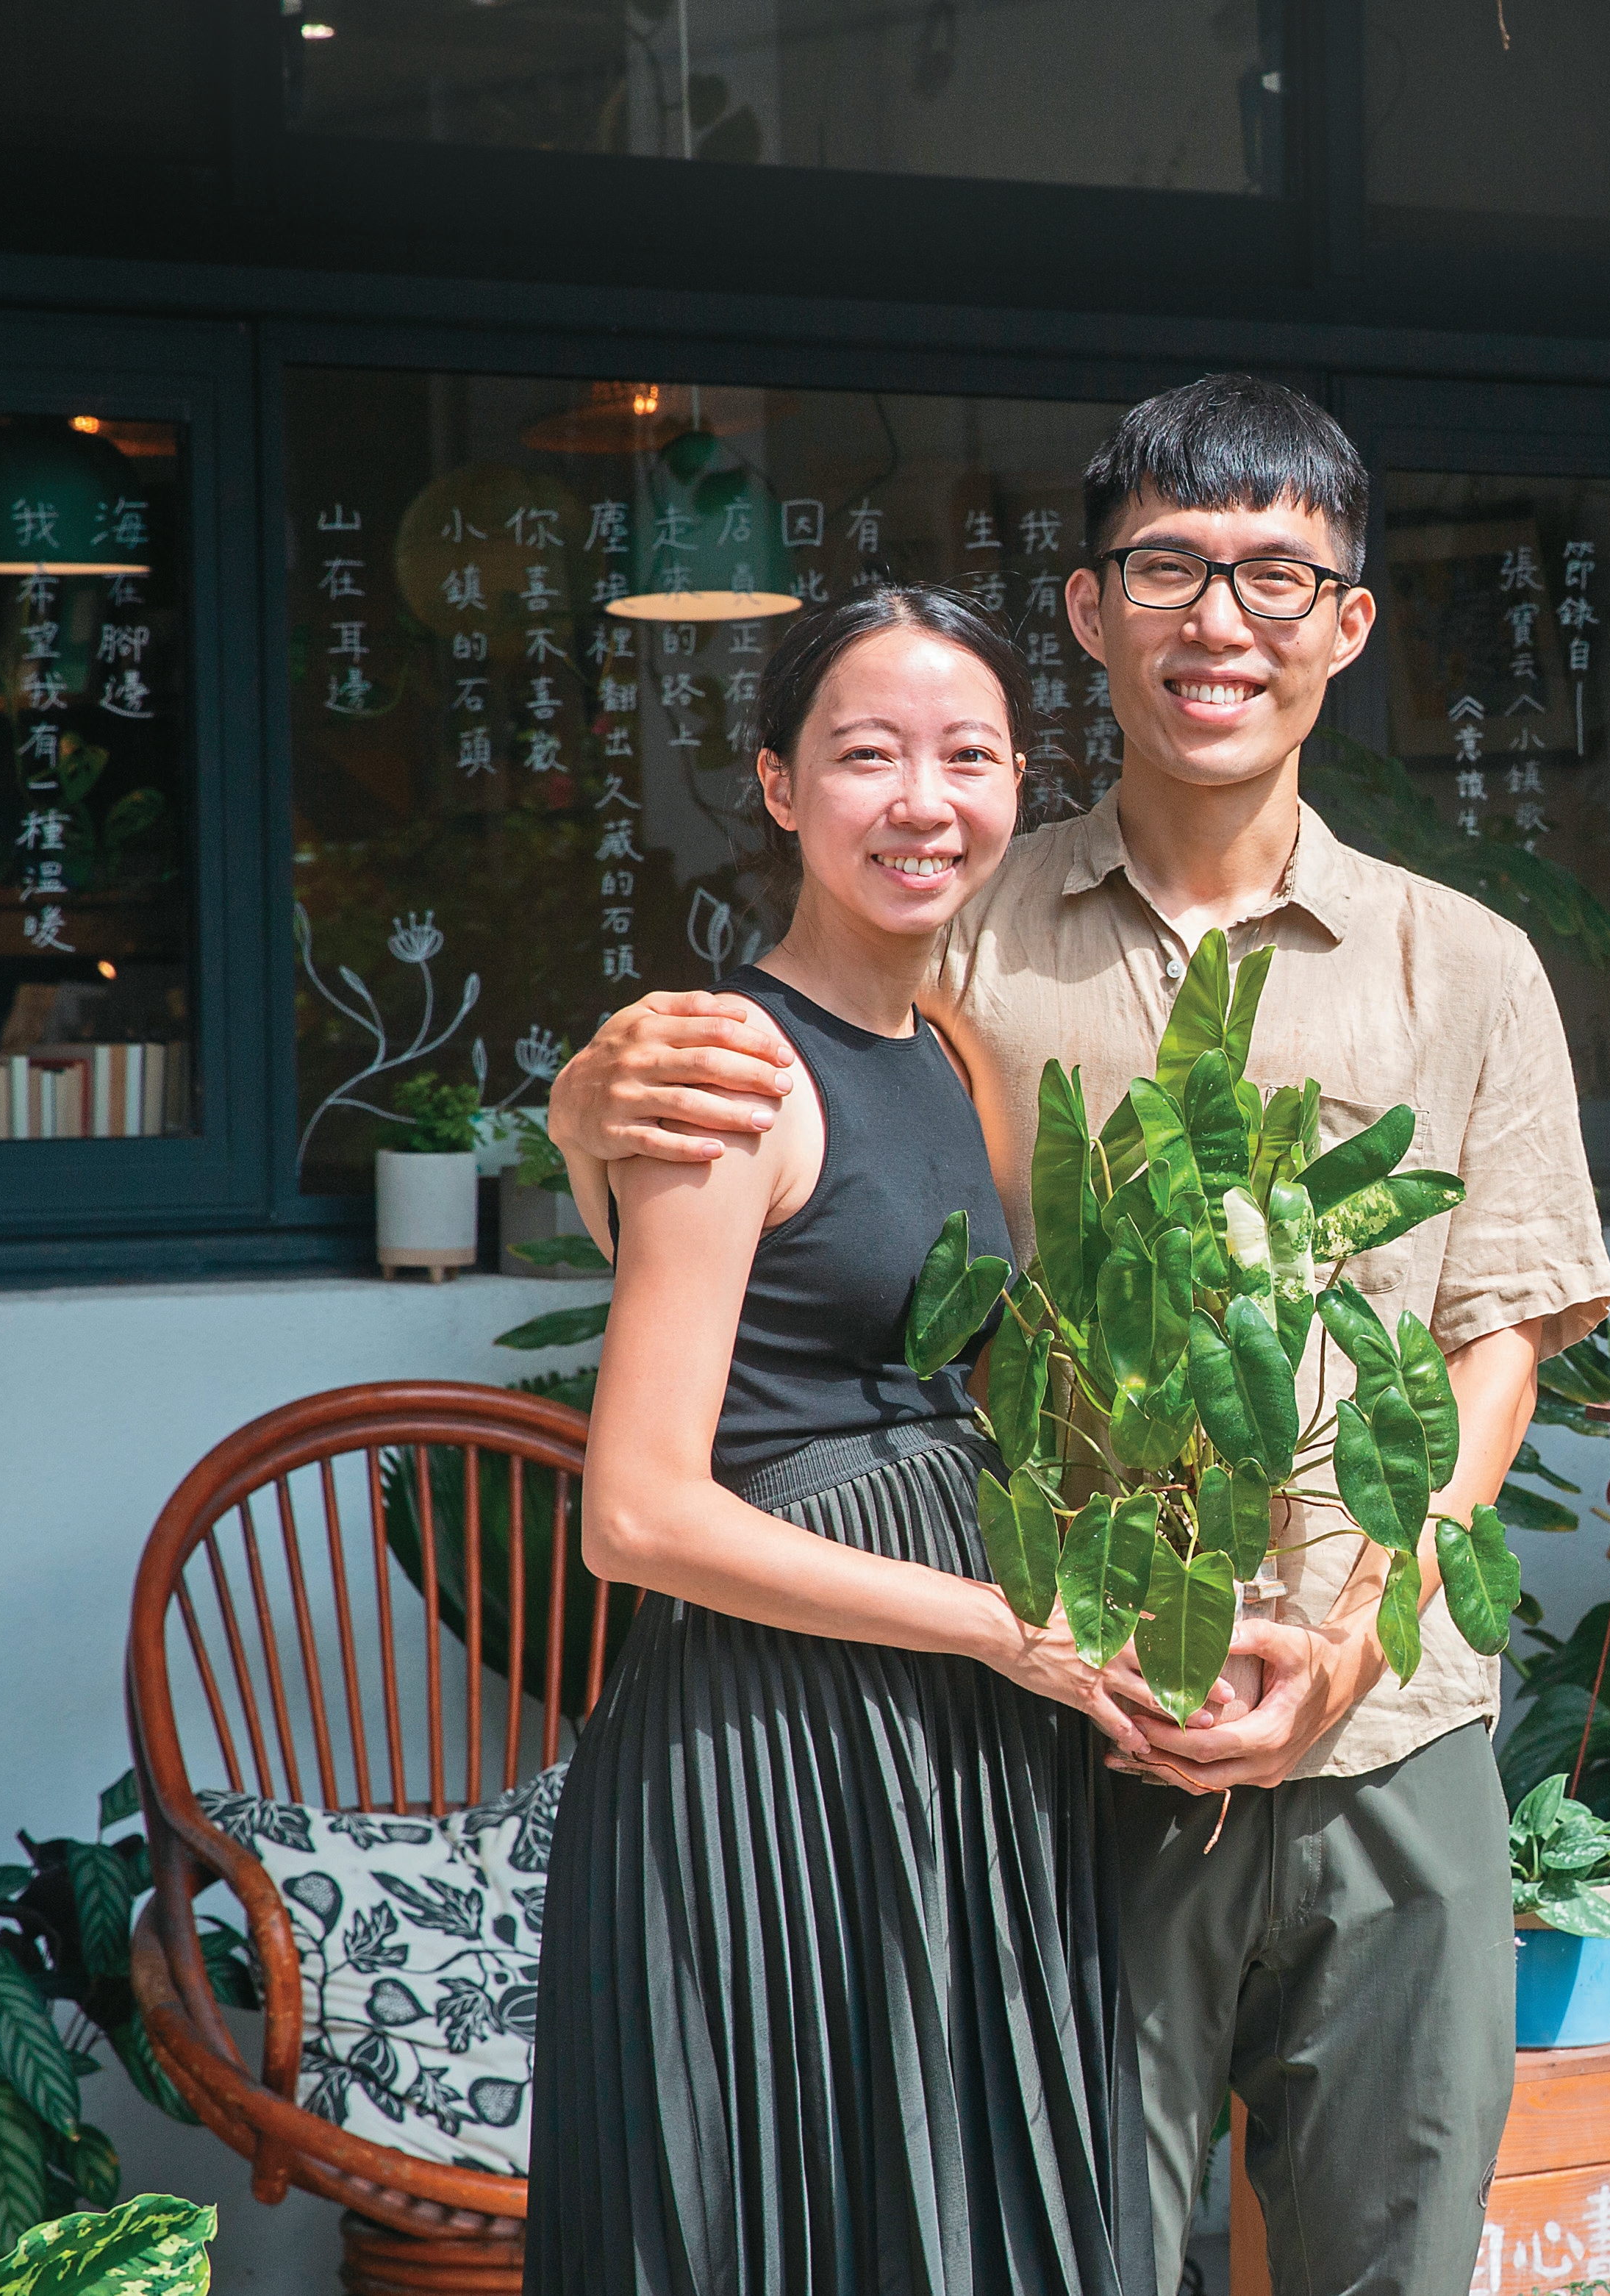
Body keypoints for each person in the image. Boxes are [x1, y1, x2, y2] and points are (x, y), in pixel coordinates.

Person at [547, 375, 1610, 2296]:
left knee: (1394, 2257)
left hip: (1393, 1728)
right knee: (1065, 2254)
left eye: (1278, 578)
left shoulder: (1460, 966)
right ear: (1087, 611)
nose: (1222, 623)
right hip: (1066, 1747)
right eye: (1170, 570)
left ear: (1350, 623)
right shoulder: (956, 930)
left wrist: (1366, 1613)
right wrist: (581, 1094)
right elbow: (777, 1155)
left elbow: (1496, 1343)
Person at [529, 585, 1159, 2295]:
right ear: (780, 788)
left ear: (1020, 783)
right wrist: (997, 1626)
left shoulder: (957, 1052)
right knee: (782, 2226)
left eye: (967, 755)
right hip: (766, 1751)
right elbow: (640, 1515)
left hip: (947, 1743)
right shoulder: (724, 1072)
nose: (922, 800)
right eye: (864, 755)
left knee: (946, 2215)